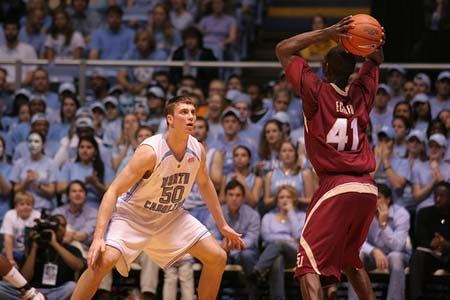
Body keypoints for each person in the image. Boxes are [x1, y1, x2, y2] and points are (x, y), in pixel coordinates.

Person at [71, 95, 245, 300]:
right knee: (102, 261)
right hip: (133, 216)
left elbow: (205, 184)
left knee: (217, 257)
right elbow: (113, 191)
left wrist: (222, 225)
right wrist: (98, 237)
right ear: (170, 119)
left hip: (169, 216)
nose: (190, 116)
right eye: (183, 112)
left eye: (192, 112)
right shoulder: (150, 152)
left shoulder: (198, 149)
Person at [276, 15, 384, 299]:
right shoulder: (361, 93)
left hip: (336, 186)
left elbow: (283, 49)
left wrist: (329, 32)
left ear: (324, 68)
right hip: (367, 189)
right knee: (350, 260)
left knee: (307, 265)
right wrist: (369, 43)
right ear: (351, 71)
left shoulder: (316, 91)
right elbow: (376, 59)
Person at [347, 183, 410, 300]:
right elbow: (356, 242)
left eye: (378, 197)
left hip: (395, 255)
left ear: (388, 199)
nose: (373, 200)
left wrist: (383, 224)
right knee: (356, 255)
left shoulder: (402, 214)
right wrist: (374, 251)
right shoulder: (363, 213)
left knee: (395, 257)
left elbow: (398, 246)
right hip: (373, 257)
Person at [0, 215, 84, 300]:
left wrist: (54, 244)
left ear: (66, 228)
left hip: (57, 291)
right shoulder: (36, 246)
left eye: (62, 225)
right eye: (56, 225)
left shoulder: (71, 249)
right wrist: (34, 248)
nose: (59, 228)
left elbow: (79, 266)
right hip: (32, 292)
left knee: (72, 286)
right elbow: (25, 278)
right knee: (1, 287)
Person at [206, 179, 260, 300]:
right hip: (222, 250)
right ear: (225, 196)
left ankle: (253, 296)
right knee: (214, 255)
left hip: (244, 251)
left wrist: (236, 245)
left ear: (243, 198)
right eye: (230, 195)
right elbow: (210, 235)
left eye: (238, 195)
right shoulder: (215, 213)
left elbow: (252, 238)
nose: (234, 198)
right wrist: (221, 245)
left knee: (247, 255)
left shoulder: (252, 214)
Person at [409, 181, 450, 300]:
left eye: (442, 196)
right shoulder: (424, 213)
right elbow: (419, 240)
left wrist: (447, 244)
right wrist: (431, 243)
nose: (437, 199)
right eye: (435, 195)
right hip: (431, 256)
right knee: (418, 255)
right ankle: (416, 297)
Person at [0, 192, 41, 267]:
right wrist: (10, 260)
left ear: (33, 206)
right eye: (22, 204)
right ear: (16, 206)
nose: (25, 206)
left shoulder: (37, 215)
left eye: (28, 204)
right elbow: (8, 238)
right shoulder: (10, 215)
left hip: (30, 252)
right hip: (13, 251)